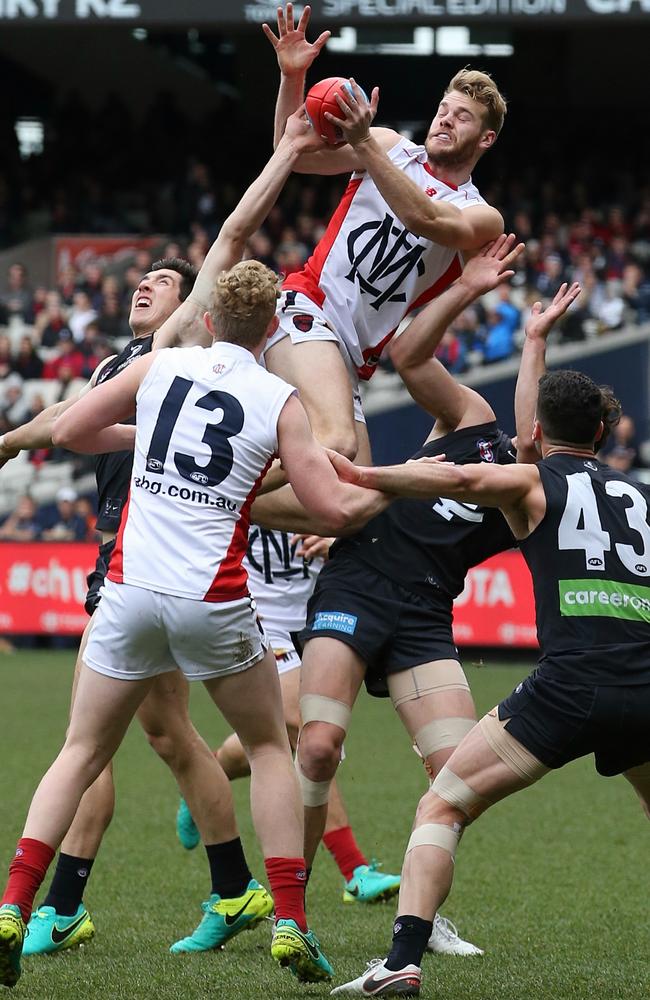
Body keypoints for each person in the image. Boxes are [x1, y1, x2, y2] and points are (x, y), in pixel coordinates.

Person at [0, 257, 386, 990]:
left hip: (129, 592)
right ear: (272, 328)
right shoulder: (280, 398)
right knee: (272, 747)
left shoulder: (161, 367)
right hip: (212, 600)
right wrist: (384, 493)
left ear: (208, 319)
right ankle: (290, 922)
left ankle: (15, 905)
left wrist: (142, 443)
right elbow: (328, 509)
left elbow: (74, 431)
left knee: (81, 750)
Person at [278, 239, 578, 957]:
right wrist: (473, 290)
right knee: (317, 748)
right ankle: (293, 912)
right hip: (358, 579)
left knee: (454, 779)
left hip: (423, 617)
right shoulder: (472, 422)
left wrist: (534, 345)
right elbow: (410, 355)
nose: (530, 431)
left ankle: (423, 913)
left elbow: (532, 450)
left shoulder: (528, 498)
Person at [328, 367, 650, 997]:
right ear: (604, 431)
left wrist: (370, 478)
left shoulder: (532, 482)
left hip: (570, 687)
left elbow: (461, 476)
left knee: (442, 805)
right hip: (644, 685)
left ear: (534, 431)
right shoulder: (640, 497)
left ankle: (401, 961)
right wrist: (534, 343)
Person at [261, 4, 506, 462]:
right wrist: (292, 78)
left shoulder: (482, 216)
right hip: (309, 307)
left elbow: (427, 220)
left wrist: (363, 141)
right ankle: (227, 490)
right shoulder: (391, 145)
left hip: (351, 355)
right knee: (339, 447)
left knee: (349, 509)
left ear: (486, 139)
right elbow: (289, 151)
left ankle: (242, 508)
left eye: (463, 117)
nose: (446, 120)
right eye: (443, 109)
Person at [177, 526, 402, 905]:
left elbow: (361, 513)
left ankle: (208, 777)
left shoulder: (318, 472)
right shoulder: (249, 472)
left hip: (321, 614)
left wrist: (339, 540)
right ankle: (355, 871)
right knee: (308, 728)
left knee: (273, 736)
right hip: (261, 620)